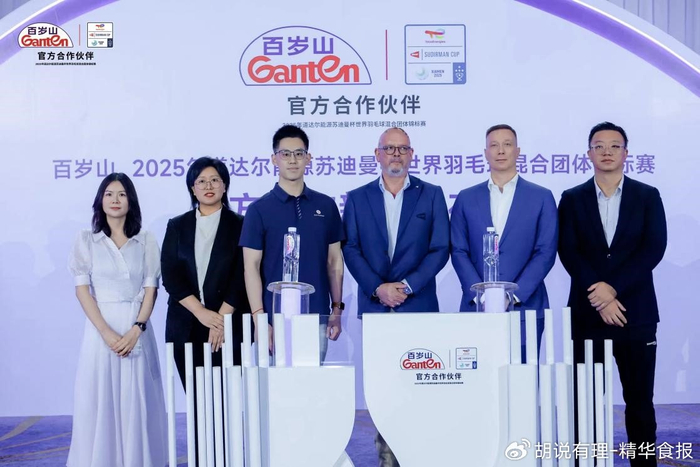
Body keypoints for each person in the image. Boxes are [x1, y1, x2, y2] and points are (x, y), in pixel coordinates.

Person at [558, 122, 667, 466]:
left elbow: (653, 249)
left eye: (614, 146)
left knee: (639, 402)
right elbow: (568, 250)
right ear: (588, 154)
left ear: (626, 153)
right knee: (585, 403)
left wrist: (612, 289)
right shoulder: (572, 198)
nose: (607, 152)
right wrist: (599, 295)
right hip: (588, 316)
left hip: (635, 314)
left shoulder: (647, 196)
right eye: (599, 146)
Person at [342, 127, 449, 466]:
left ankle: (420, 452)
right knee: (382, 386)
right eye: (389, 148)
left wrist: (407, 286)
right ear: (377, 155)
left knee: (419, 383)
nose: (396, 154)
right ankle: (386, 457)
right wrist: (378, 288)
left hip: (418, 305)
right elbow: (351, 248)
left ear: (412, 154)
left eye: (403, 149)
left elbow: (440, 248)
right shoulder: (358, 198)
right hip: (376, 308)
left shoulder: (431, 194)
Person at [67, 173, 167, 467]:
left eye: (122, 194)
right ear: (100, 200)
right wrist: (106, 333)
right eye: (109, 194)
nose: (115, 200)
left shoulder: (145, 240)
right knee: (100, 398)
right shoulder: (87, 240)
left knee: (138, 398)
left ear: (130, 200)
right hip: (100, 332)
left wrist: (137, 329)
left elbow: (151, 289)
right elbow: (82, 291)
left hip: (137, 331)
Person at [450, 124, 558, 361]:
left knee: (523, 376)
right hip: (477, 307)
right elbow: (458, 250)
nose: (501, 151)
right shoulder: (466, 198)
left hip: (525, 308)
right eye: (494, 145)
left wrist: (512, 295)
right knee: (476, 375)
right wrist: (481, 295)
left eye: (507, 144)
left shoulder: (541, 197)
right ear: (485, 152)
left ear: (517, 151)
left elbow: (545, 251)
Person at [240, 125, 344, 361]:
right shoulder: (259, 210)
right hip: (273, 318)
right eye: (285, 153)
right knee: (274, 383)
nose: (293, 160)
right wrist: (259, 319)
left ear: (309, 158)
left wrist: (337, 309)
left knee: (313, 381)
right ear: (274, 159)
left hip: (316, 314)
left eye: (299, 153)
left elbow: (334, 261)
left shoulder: (326, 206)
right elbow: (251, 267)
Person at [161, 157, 248, 389]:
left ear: (225, 185)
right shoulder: (177, 225)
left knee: (226, 397)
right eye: (201, 181)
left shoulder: (241, 225)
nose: (208, 186)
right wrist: (200, 312)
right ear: (192, 188)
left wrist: (219, 322)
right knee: (196, 398)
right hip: (186, 323)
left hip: (228, 324)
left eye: (215, 180)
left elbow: (242, 275)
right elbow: (170, 276)